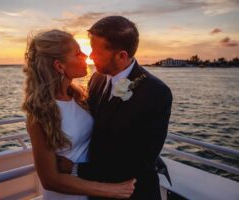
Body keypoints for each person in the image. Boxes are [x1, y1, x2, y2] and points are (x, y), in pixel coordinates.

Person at [57, 16, 173, 200]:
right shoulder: (97, 78)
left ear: (121, 56)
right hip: (95, 192)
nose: (90, 56)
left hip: (132, 194)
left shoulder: (156, 93)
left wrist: (75, 168)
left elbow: (140, 162)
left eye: (96, 51)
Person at [22, 29, 136, 200]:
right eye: (77, 53)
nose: (86, 56)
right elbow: (50, 180)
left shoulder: (78, 96)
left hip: (91, 191)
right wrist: (111, 190)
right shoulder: (40, 113)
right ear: (59, 66)